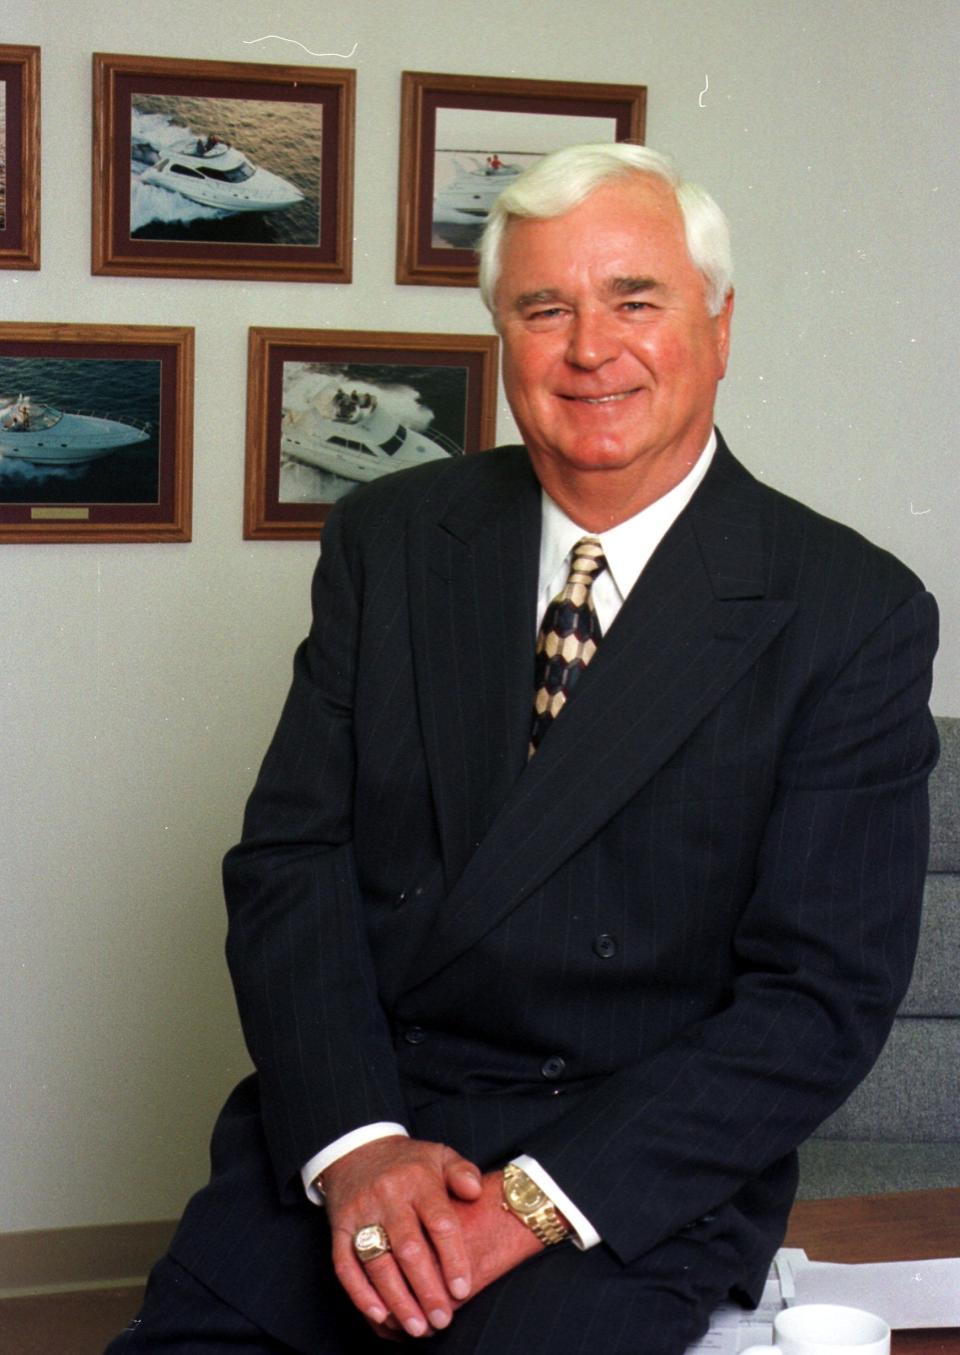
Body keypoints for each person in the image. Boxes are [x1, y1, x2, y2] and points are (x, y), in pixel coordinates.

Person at [106, 143, 938, 1355]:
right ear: (503, 332)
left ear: (719, 323)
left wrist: (530, 1202)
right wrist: (357, 1148)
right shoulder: (391, 540)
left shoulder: (847, 609)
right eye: (546, 308)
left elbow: (817, 1001)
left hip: (620, 1179)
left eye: (636, 301)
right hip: (369, 1133)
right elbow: (292, 862)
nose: (591, 350)